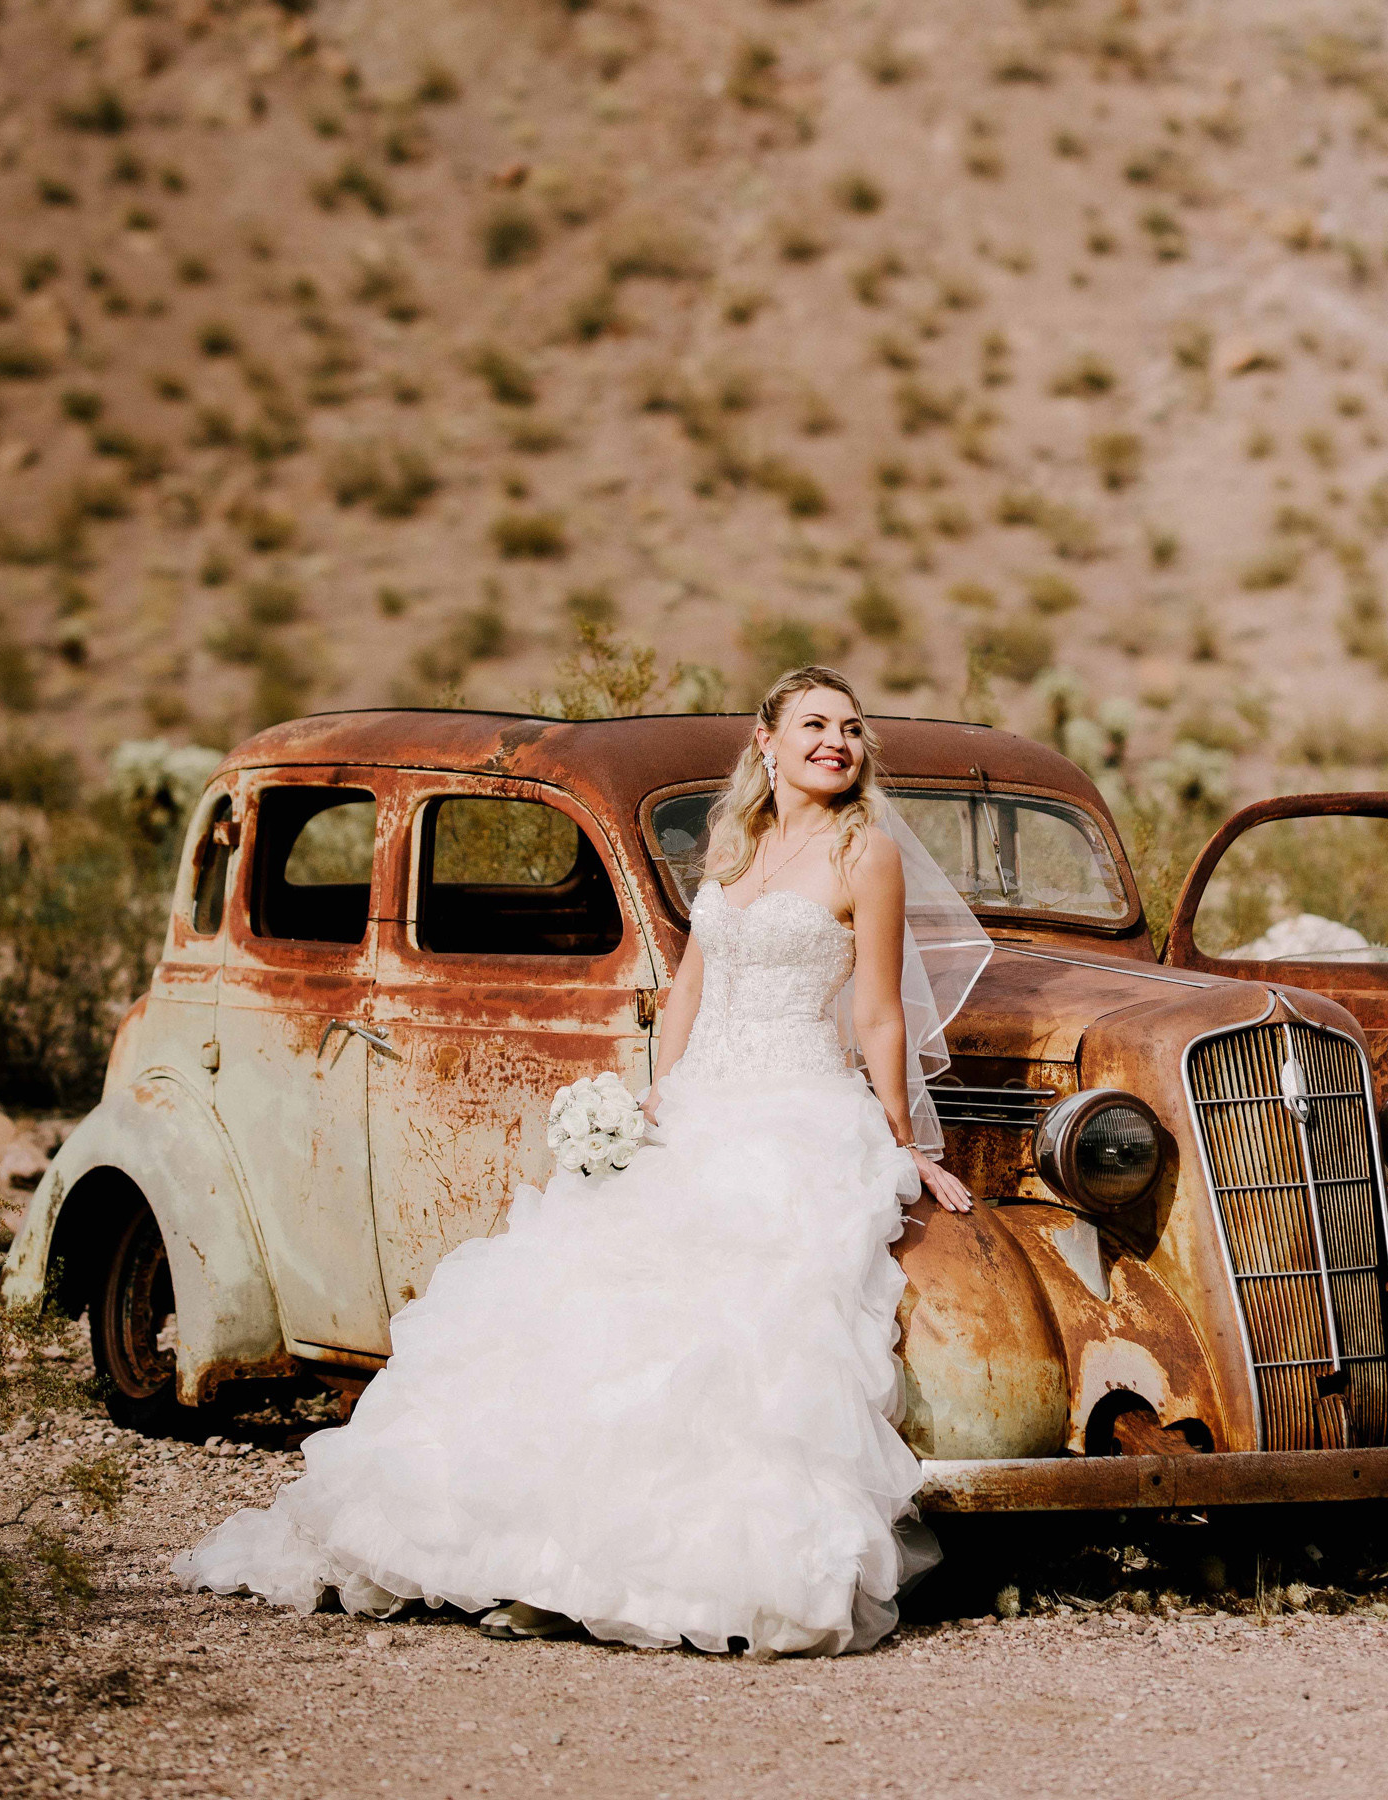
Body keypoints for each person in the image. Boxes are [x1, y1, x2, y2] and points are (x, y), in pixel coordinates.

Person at [172, 666, 990, 1655]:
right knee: (581, 1308)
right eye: (815, 724)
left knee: (748, 1332)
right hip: (703, 1104)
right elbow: (691, 981)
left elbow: (875, 1011)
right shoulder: (740, 844)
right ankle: (511, 1540)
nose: (839, 742)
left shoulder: (866, 856)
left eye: (853, 729)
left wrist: (904, 1142)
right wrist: (658, 1090)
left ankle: (708, 1558)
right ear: (766, 741)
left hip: (798, 1110)